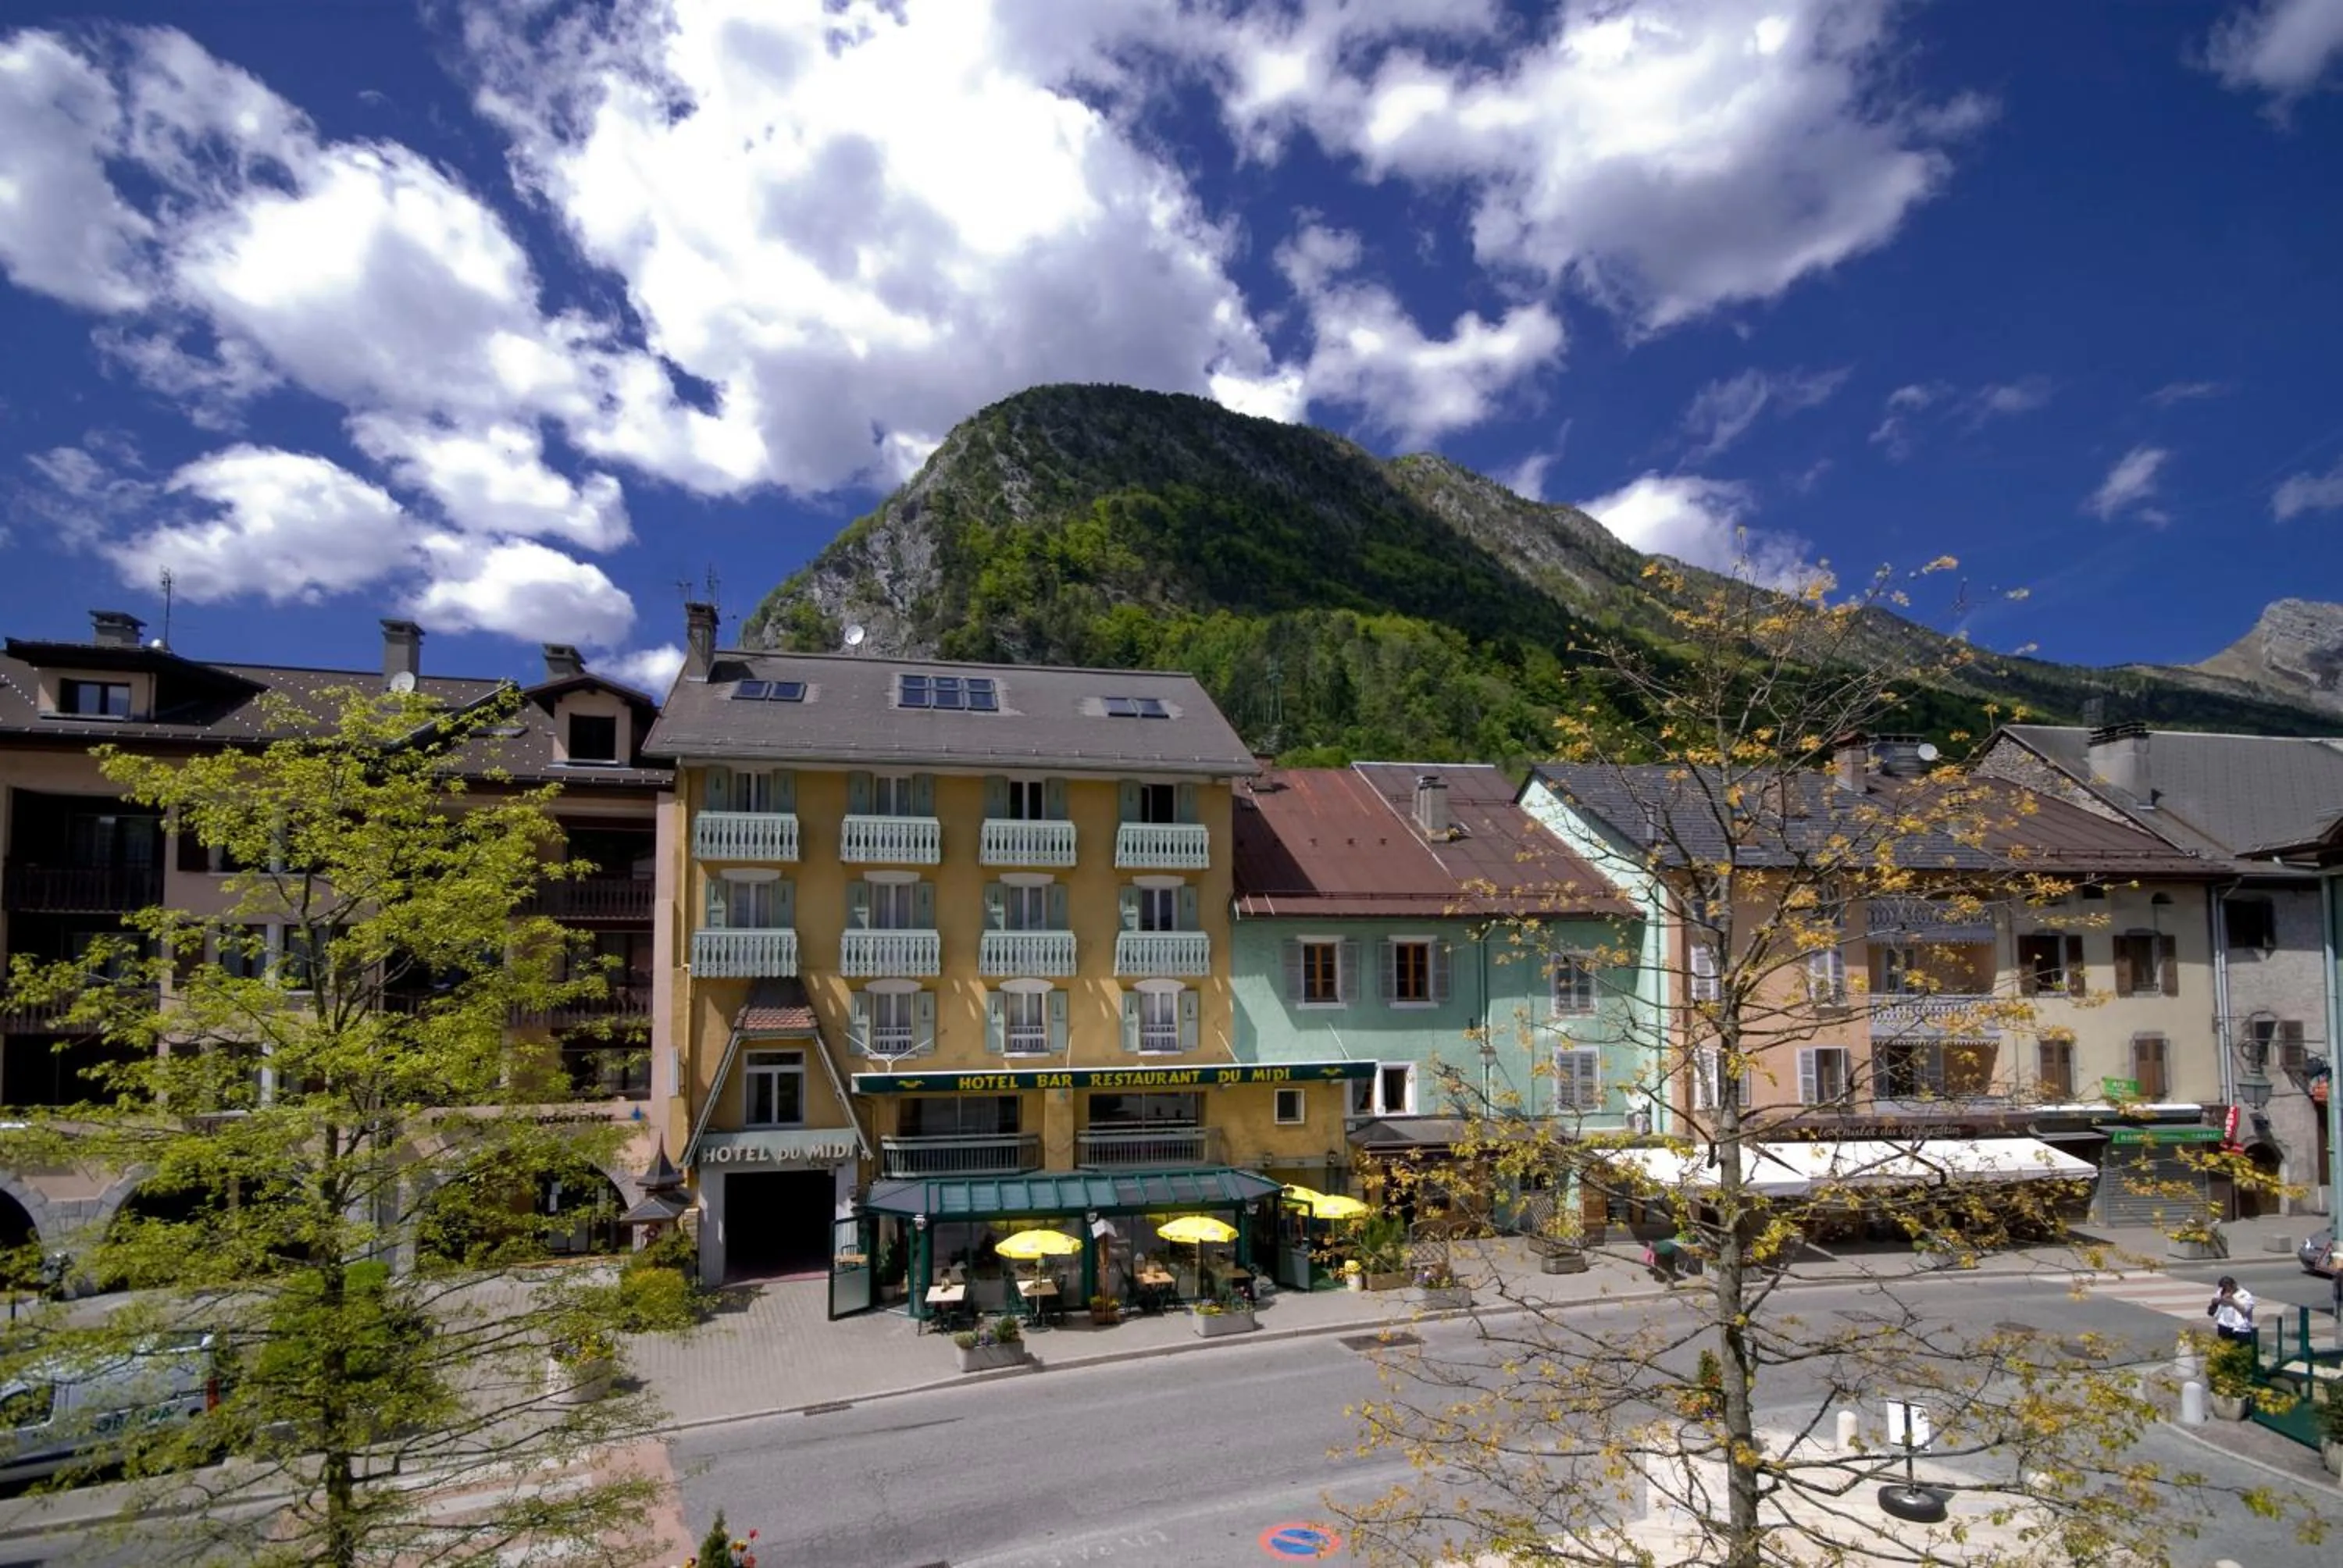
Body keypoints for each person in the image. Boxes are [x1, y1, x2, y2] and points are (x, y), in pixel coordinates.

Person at [2207, 1275, 2256, 1344]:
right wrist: (2220, 1299)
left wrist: (2232, 1301)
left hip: (2240, 1328)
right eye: (2224, 1287)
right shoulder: (2222, 1291)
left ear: (2234, 1285)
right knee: (2224, 1347)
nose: (2226, 1290)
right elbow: (2214, 1300)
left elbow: (2244, 1310)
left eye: (2228, 1288)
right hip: (2224, 1325)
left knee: (2241, 1349)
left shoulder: (2245, 1295)